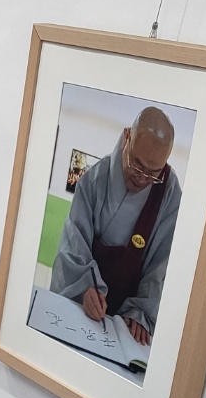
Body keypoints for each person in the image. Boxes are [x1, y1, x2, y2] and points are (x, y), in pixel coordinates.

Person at [49, 107, 181, 345]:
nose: (142, 179)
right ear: (127, 137)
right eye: (137, 165)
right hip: (84, 305)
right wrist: (84, 285)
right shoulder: (93, 181)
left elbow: (161, 265)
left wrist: (142, 310)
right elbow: (73, 240)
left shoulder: (170, 194)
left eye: (153, 174)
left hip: (126, 324)